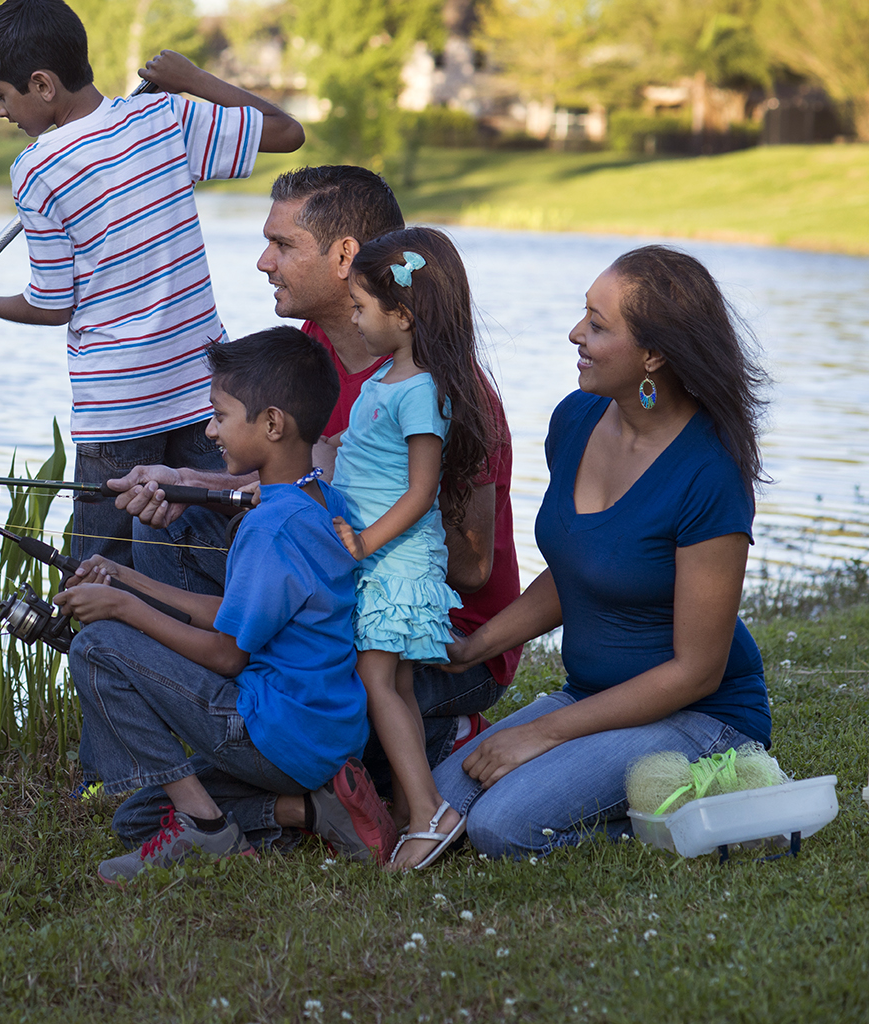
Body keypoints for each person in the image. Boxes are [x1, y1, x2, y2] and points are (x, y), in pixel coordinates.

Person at [107, 166, 523, 778]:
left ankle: (441, 736)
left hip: (430, 639)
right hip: (337, 594)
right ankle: (243, 722)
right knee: (168, 521)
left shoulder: (444, 392)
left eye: (282, 245)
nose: (263, 262)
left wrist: (337, 505)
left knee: (341, 709)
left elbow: (471, 564)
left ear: (345, 256)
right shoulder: (311, 349)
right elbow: (299, 485)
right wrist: (203, 486)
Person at [0, 0, 306, 568]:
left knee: (101, 570)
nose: (2, 112)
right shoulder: (163, 118)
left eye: (1, 96)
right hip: (203, 392)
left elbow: (51, 304)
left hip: (116, 406)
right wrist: (193, 78)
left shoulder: (35, 169)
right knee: (215, 552)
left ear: (43, 85)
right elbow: (286, 131)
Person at [428, 245, 770, 861]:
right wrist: (475, 647)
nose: (574, 334)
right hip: (591, 697)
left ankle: (709, 803)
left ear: (654, 354)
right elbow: (581, 569)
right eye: (583, 314)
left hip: (701, 715)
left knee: (500, 827)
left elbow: (698, 670)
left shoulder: (710, 473)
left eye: (598, 324)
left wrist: (542, 733)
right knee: (438, 804)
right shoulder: (576, 419)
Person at [57, 327, 397, 883]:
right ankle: (312, 811)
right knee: (139, 816)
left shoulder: (270, 526)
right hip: (323, 735)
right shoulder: (318, 500)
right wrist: (125, 580)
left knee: (95, 646)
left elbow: (226, 654)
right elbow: (231, 613)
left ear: (271, 424)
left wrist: (119, 610)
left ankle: (208, 830)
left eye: (219, 415)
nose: (209, 430)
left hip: (280, 732)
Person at [328, 229, 498, 869]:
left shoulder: (422, 390)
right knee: (391, 682)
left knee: (379, 681)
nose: (353, 317)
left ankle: (430, 811)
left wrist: (363, 542)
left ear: (402, 315)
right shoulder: (386, 378)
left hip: (394, 560)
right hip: (377, 557)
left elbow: (423, 491)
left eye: (362, 307)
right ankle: (410, 813)